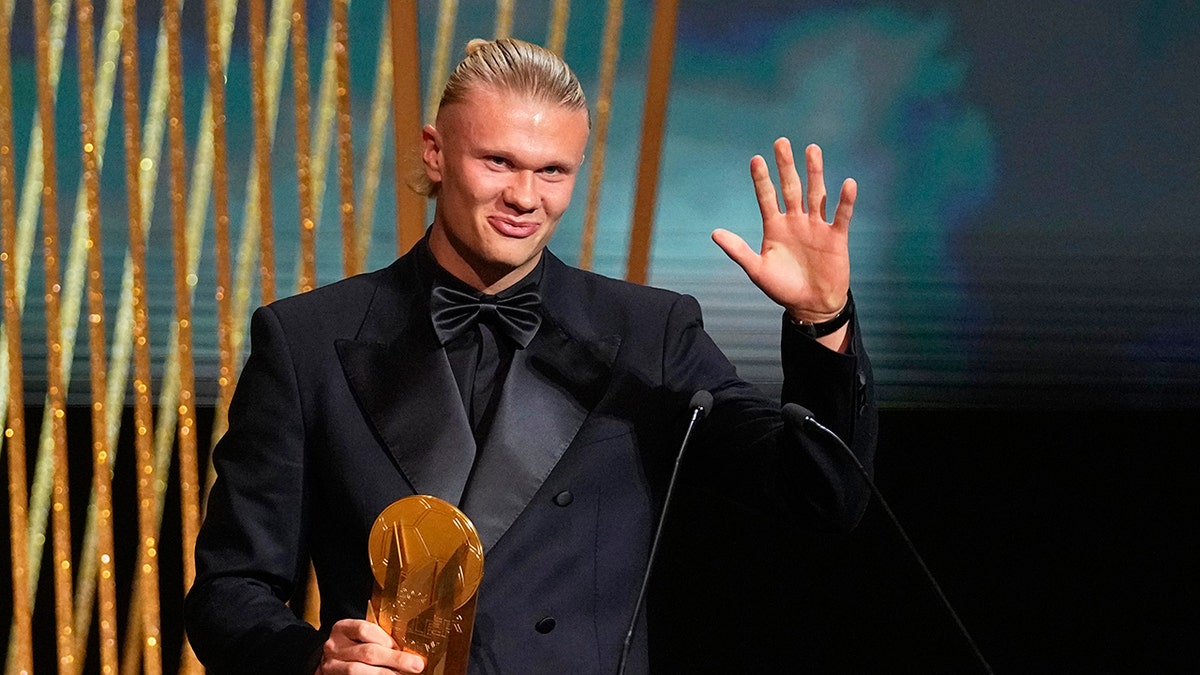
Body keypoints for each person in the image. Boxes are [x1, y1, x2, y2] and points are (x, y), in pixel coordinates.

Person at [185, 38, 876, 674]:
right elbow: (229, 590)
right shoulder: (307, 339)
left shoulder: (649, 332)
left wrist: (822, 321)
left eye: (552, 171)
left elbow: (824, 494)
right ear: (434, 153)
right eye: (498, 162)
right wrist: (313, 659)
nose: (524, 196)